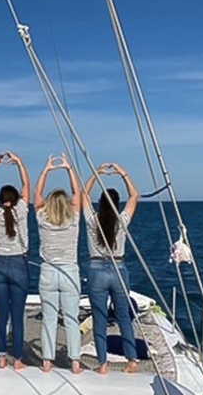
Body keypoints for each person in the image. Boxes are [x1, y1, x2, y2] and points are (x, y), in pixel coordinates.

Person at [83, 162, 140, 375]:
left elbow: (82, 195)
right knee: (123, 316)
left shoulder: (91, 221)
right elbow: (135, 196)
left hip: (96, 269)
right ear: (117, 204)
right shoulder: (122, 220)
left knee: (99, 318)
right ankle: (132, 360)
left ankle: (103, 364)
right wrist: (122, 172)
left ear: (100, 204)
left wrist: (96, 174)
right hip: (119, 268)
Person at [35, 153, 83, 374]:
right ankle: (74, 362)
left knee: (49, 319)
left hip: (48, 271)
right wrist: (68, 168)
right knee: (72, 318)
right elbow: (78, 193)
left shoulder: (42, 218)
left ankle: (47, 361)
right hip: (70, 271)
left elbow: (36, 194)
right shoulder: (73, 218)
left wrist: (46, 169)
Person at [0, 151, 30, 370]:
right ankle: (18, 359)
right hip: (18, 264)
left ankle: (2, 357)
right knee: (17, 316)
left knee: (1, 314)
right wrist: (19, 162)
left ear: (2, 200)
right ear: (17, 199)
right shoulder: (22, 209)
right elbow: (27, 184)